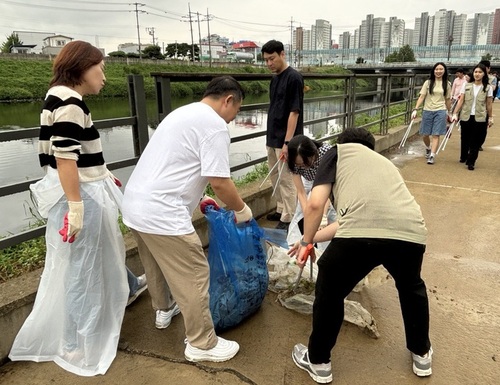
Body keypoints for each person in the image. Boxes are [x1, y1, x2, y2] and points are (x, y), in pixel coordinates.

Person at [9, 41, 129, 376]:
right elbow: (65, 158)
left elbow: (74, 154)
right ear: (81, 68)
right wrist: (77, 207)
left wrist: (104, 175)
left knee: (86, 262)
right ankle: (77, 345)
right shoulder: (72, 102)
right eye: (100, 68)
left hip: (80, 190)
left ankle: (124, 292)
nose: (103, 76)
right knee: (83, 270)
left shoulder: (55, 95)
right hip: (82, 197)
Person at [121, 75, 253, 362]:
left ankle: (164, 309)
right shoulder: (215, 126)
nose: (233, 118)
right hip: (162, 213)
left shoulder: (182, 113)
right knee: (194, 272)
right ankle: (201, 343)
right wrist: (242, 210)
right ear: (228, 100)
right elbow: (220, 181)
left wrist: (198, 196)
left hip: (134, 206)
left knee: (155, 264)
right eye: (237, 110)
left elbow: (180, 164)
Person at [289, 127, 431, 383]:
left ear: (341, 144)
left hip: (361, 236)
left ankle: (319, 361)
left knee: (329, 289)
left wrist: (306, 241)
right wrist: (305, 241)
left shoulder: (336, 152)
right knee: (412, 288)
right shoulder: (384, 165)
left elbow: (314, 204)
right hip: (411, 233)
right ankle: (421, 354)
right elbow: (348, 222)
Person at [261, 39, 304, 231]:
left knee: (286, 179)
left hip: (286, 138)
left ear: (282, 54)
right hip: (272, 136)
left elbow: (294, 112)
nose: (269, 63)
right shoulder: (274, 78)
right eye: (266, 60)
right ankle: (280, 208)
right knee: (274, 176)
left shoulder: (293, 78)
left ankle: (289, 217)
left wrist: (287, 142)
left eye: (272, 59)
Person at [285, 135, 336, 247]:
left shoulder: (326, 153)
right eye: (300, 165)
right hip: (307, 183)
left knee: (328, 217)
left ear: (313, 153)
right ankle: (294, 244)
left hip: (326, 182)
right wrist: (308, 214)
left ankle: (326, 246)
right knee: (301, 214)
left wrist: (321, 215)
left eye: (306, 163)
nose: (304, 167)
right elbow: (301, 193)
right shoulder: (293, 161)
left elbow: (329, 192)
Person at [451, 63, 494, 171]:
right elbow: (461, 100)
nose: (477, 74)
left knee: (476, 139)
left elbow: (489, 104)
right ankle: (464, 156)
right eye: (475, 72)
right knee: (465, 137)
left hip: (480, 117)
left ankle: (471, 161)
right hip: (466, 115)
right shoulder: (467, 85)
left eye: (480, 72)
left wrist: (490, 117)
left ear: (484, 74)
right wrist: (455, 113)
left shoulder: (488, 88)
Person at [411, 62, 452, 165]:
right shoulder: (428, 83)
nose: (438, 71)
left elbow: (447, 100)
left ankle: (432, 155)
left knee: (436, 134)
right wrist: (415, 109)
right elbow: (422, 96)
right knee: (425, 134)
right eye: (436, 69)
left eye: (441, 69)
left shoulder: (447, 84)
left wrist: (450, 112)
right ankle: (428, 148)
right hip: (427, 110)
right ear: (433, 71)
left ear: (444, 71)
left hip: (440, 110)